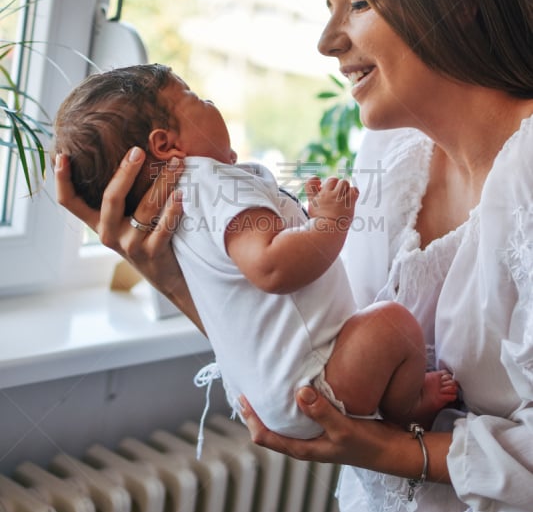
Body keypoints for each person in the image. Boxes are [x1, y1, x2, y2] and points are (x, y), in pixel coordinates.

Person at [54, 0, 533, 512]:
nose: (326, 41)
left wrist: (384, 448)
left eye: (356, 4)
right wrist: (183, 280)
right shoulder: (388, 154)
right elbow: (318, 347)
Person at [52, 64, 456, 442]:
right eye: (194, 97)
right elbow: (271, 267)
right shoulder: (208, 182)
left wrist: (308, 223)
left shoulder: (179, 209)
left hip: (283, 390)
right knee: (393, 324)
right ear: (165, 143)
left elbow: (256, 273)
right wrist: (332, 223)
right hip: (314, 381)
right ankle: (407, 407)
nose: (210, 103)